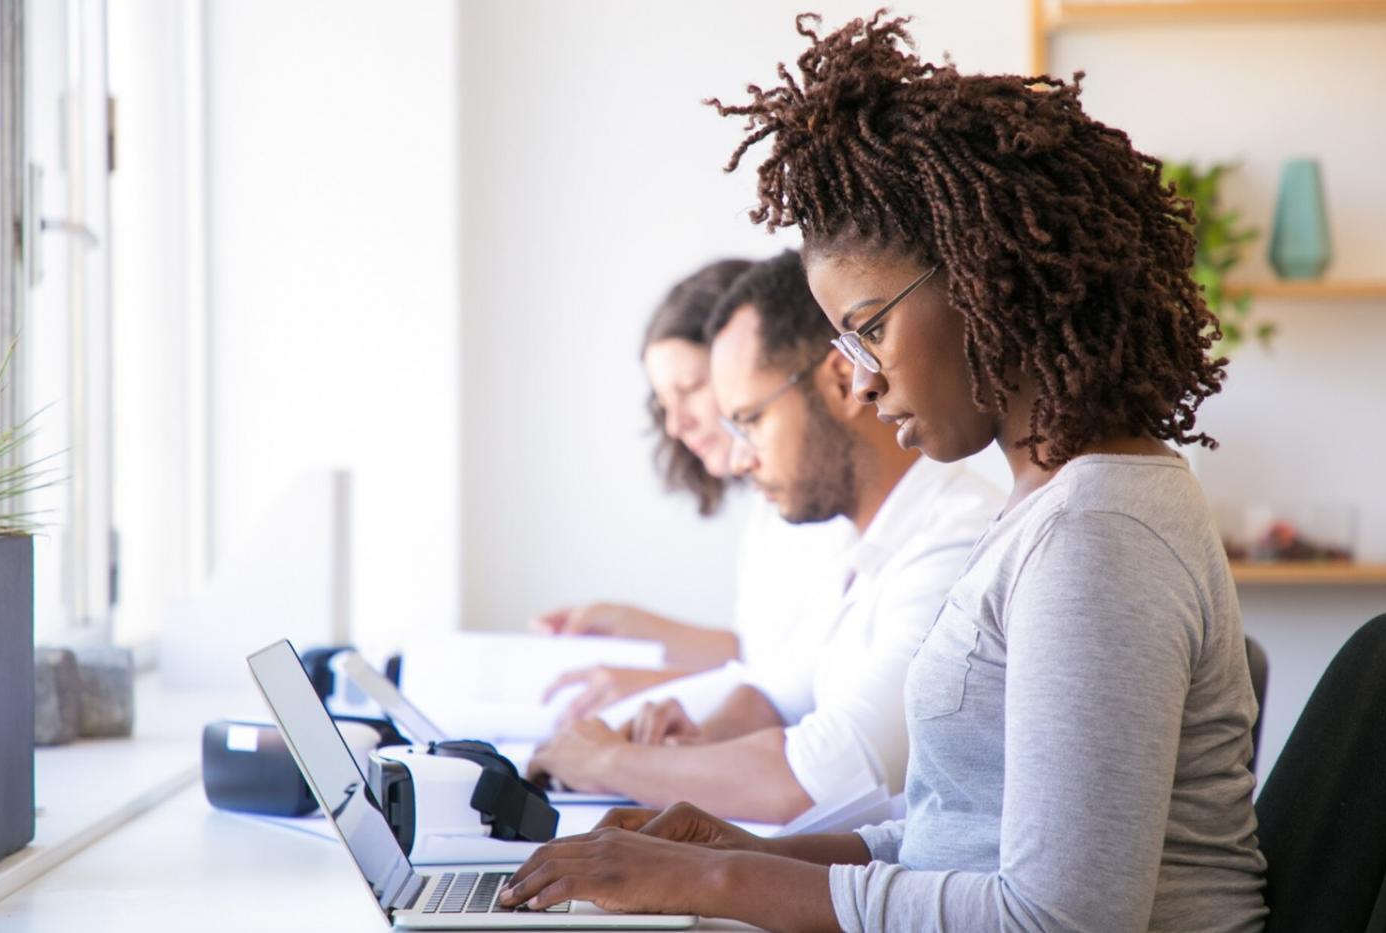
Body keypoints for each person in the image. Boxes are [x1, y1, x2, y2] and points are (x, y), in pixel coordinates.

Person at [499, 12, 1268, 931]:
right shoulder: (1050, 508)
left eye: (869, 327)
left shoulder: (1095, 535)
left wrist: (714, 887)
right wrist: (738, 851)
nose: (859, 380)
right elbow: (962, 839)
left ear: (989, 280)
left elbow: (1060, 919)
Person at [526, 250, 1001, 823]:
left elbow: (818, 777)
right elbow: (782, 689)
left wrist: (607, 762)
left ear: (840, 383)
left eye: (750, 421)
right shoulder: (866, 540)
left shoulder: (956, 543)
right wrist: (698, 737)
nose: (741, 458)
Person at [533, 258, 856, 723]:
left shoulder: (830, 501)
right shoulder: (770, 511)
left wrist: (661, 690)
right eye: (663, 402)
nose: (675, 423)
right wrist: (630, 625)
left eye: (689, 388)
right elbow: (758, 652)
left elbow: (804, 690)